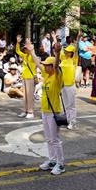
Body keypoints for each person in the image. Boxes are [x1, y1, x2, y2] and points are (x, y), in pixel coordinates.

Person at [25, 38, 66, 175]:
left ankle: (60, 164)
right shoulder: (47, 75)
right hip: (45, 112)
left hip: (53, 113)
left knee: (55, 139)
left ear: (51, 66)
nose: (44, 66)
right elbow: (37, 62)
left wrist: (57, 53)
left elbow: (56, 66)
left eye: (46, 65)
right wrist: (31, 51)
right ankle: (52, 160)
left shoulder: (57, 77)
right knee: (49, 139)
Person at [15, 35, 37, 118]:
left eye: (26, 48)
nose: (25, 50)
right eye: (24, 48)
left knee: (30, 95)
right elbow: (17, 51)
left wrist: (30, 45)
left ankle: (30, 112)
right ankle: (25, 110)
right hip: (24, 77)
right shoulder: (25, 56)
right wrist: (18, 42)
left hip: (30, 78)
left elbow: (33, 52)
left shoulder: (32, 56)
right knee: (25, 96)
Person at [60, 42, 79, 130]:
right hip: (62, 85)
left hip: (70, 85)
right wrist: (55, 38)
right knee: (66, 105)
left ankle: (73, 122)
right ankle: (68, 121)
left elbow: (77, 50)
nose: (66, 52)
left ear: (72, 53)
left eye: (68, 51)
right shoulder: (63, 58)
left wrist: (78, 38)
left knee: (71, 105)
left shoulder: (74, 60)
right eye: (66, 51)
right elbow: (58, 50)